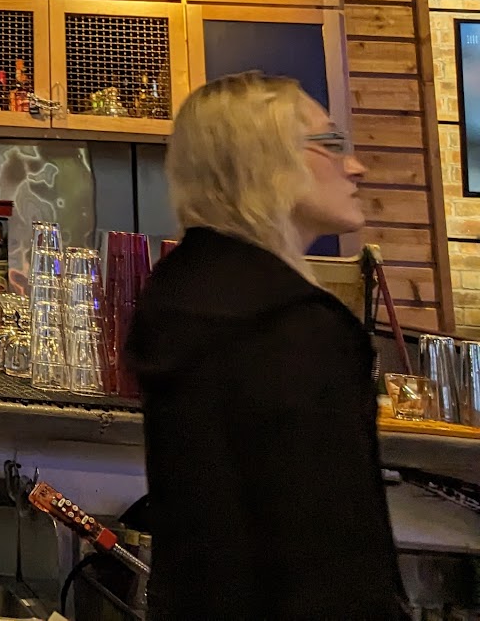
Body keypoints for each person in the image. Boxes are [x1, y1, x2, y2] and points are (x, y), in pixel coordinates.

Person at [126, 72, 402, 621]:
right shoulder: (294, 326)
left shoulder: (179, 295)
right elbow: (335, 565)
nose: (355, 166)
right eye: (331, 143)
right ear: (266, 161)